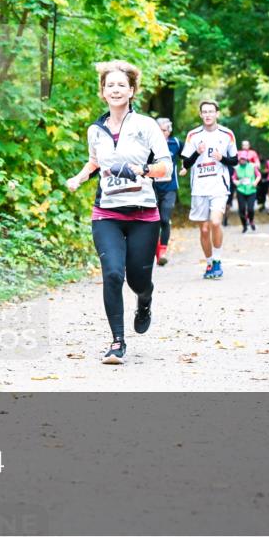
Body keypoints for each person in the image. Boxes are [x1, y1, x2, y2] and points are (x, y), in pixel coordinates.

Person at [66, 61, 172, 364]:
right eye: (109, 85)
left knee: (138, 281)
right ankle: (117, 342)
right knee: (112, 274)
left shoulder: (146, 125)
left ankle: (145, 299)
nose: (115, 90)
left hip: (143, 214)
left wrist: (144, 169)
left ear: (132, 90)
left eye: (121, 85)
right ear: (102, 92)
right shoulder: (95, 130)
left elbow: (166, 167)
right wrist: (80, 177)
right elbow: (95, 161)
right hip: (107, 213)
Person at [180, 100, 237, 279]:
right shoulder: (193, 135)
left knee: (215, 223)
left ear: (217, 114)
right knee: (204, 230)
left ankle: (218, 261)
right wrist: (197, 152)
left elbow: (234, 161)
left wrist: (222, 158)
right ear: (200, 114)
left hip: (219, 187)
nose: (207, 115)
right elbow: (185, 164)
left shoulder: (227, 134)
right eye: (204, 112)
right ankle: (210, 262)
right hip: (199, 188)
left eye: (211, 111)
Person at [152, 117, 181, 266]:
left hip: (170, 187)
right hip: (152, 188)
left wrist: (185, 167)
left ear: (169, 131)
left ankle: (162, 251)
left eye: (163, 130)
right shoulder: (150, 144)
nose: (160, 133)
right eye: (158, 130)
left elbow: (187, 156)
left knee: (164, 219)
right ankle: (156, 253)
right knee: (153, 221)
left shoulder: (175, 143)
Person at [232, 150, 262, 232]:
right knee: (241, 209)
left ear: (247, 159)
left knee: (250, 209)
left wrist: (255, 182)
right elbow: (233, 178)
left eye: (244, 159)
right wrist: (236, 182)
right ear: (239, 159)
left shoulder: (252, 166)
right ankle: (244, 225)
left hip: (251, 190)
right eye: (241, 159)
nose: (242, 160)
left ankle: (251, 221)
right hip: (241, 190)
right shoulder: (237, 168)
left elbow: (259, 175)